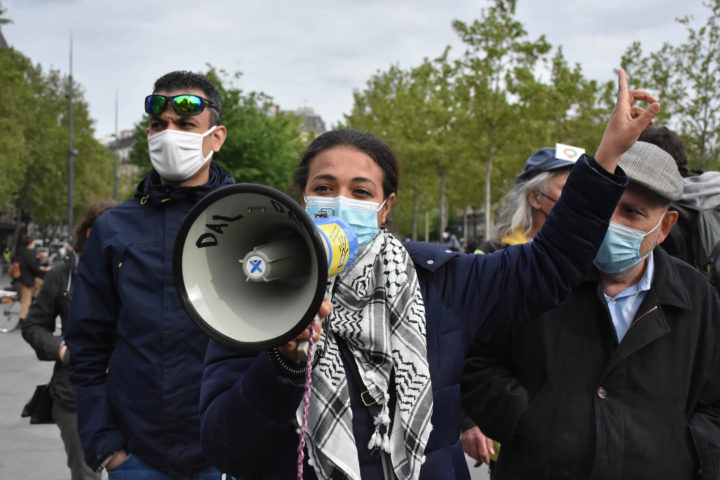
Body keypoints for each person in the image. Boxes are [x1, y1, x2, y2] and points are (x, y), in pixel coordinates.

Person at [199, 70, 659, 479]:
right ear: (303, 199)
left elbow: (547, 265)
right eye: (324, 188)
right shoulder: (253, 294)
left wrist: (604, 161)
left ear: (385, 208)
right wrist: (282, 362)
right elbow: (229, 447)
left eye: (361, 191)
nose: (341, 202)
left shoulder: (439, 279)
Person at [461, 141, 720, 479]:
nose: (609, 223)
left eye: (631, 212)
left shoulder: (697, 297)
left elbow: (713, 401)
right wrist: (527, 422)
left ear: (665, 227)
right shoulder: (538, 277)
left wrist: (684, 450)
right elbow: (476, 361)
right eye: (604, 205)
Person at [65, 71, 233, 479]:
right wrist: (107, 448)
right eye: (160, 125)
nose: (169, 133)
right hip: (137, 458)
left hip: (230, 455)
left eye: (185, 124)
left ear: (216, 136)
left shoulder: (250, 218)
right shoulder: (113, 228)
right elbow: (86, 344)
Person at [461, 145, 578, 466]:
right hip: (511, 433)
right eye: (569, 189)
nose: (580, 198)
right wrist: (467, 419)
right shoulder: (492, 258)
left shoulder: (590, 260)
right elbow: (459, 339)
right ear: (535, 197)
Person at [21, 200, 115, 480]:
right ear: (89, 234)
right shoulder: (64, 276)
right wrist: (61, 350)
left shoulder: (134, 271)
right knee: (87, 474)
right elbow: (33, 325)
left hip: (130, 396)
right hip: (75, 396)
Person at [14, 235, 45, 323]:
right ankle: (22, 320)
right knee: (26, 301)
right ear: (30, 243)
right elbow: (33, 267)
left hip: (22, 278)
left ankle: (33, 301)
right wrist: (43, 271)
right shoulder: (28, 252)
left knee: (39, 283)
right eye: (33, 242)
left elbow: (30, 264)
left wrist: (37, 259)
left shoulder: (21, 251)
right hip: (25, 280)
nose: (34, 244)